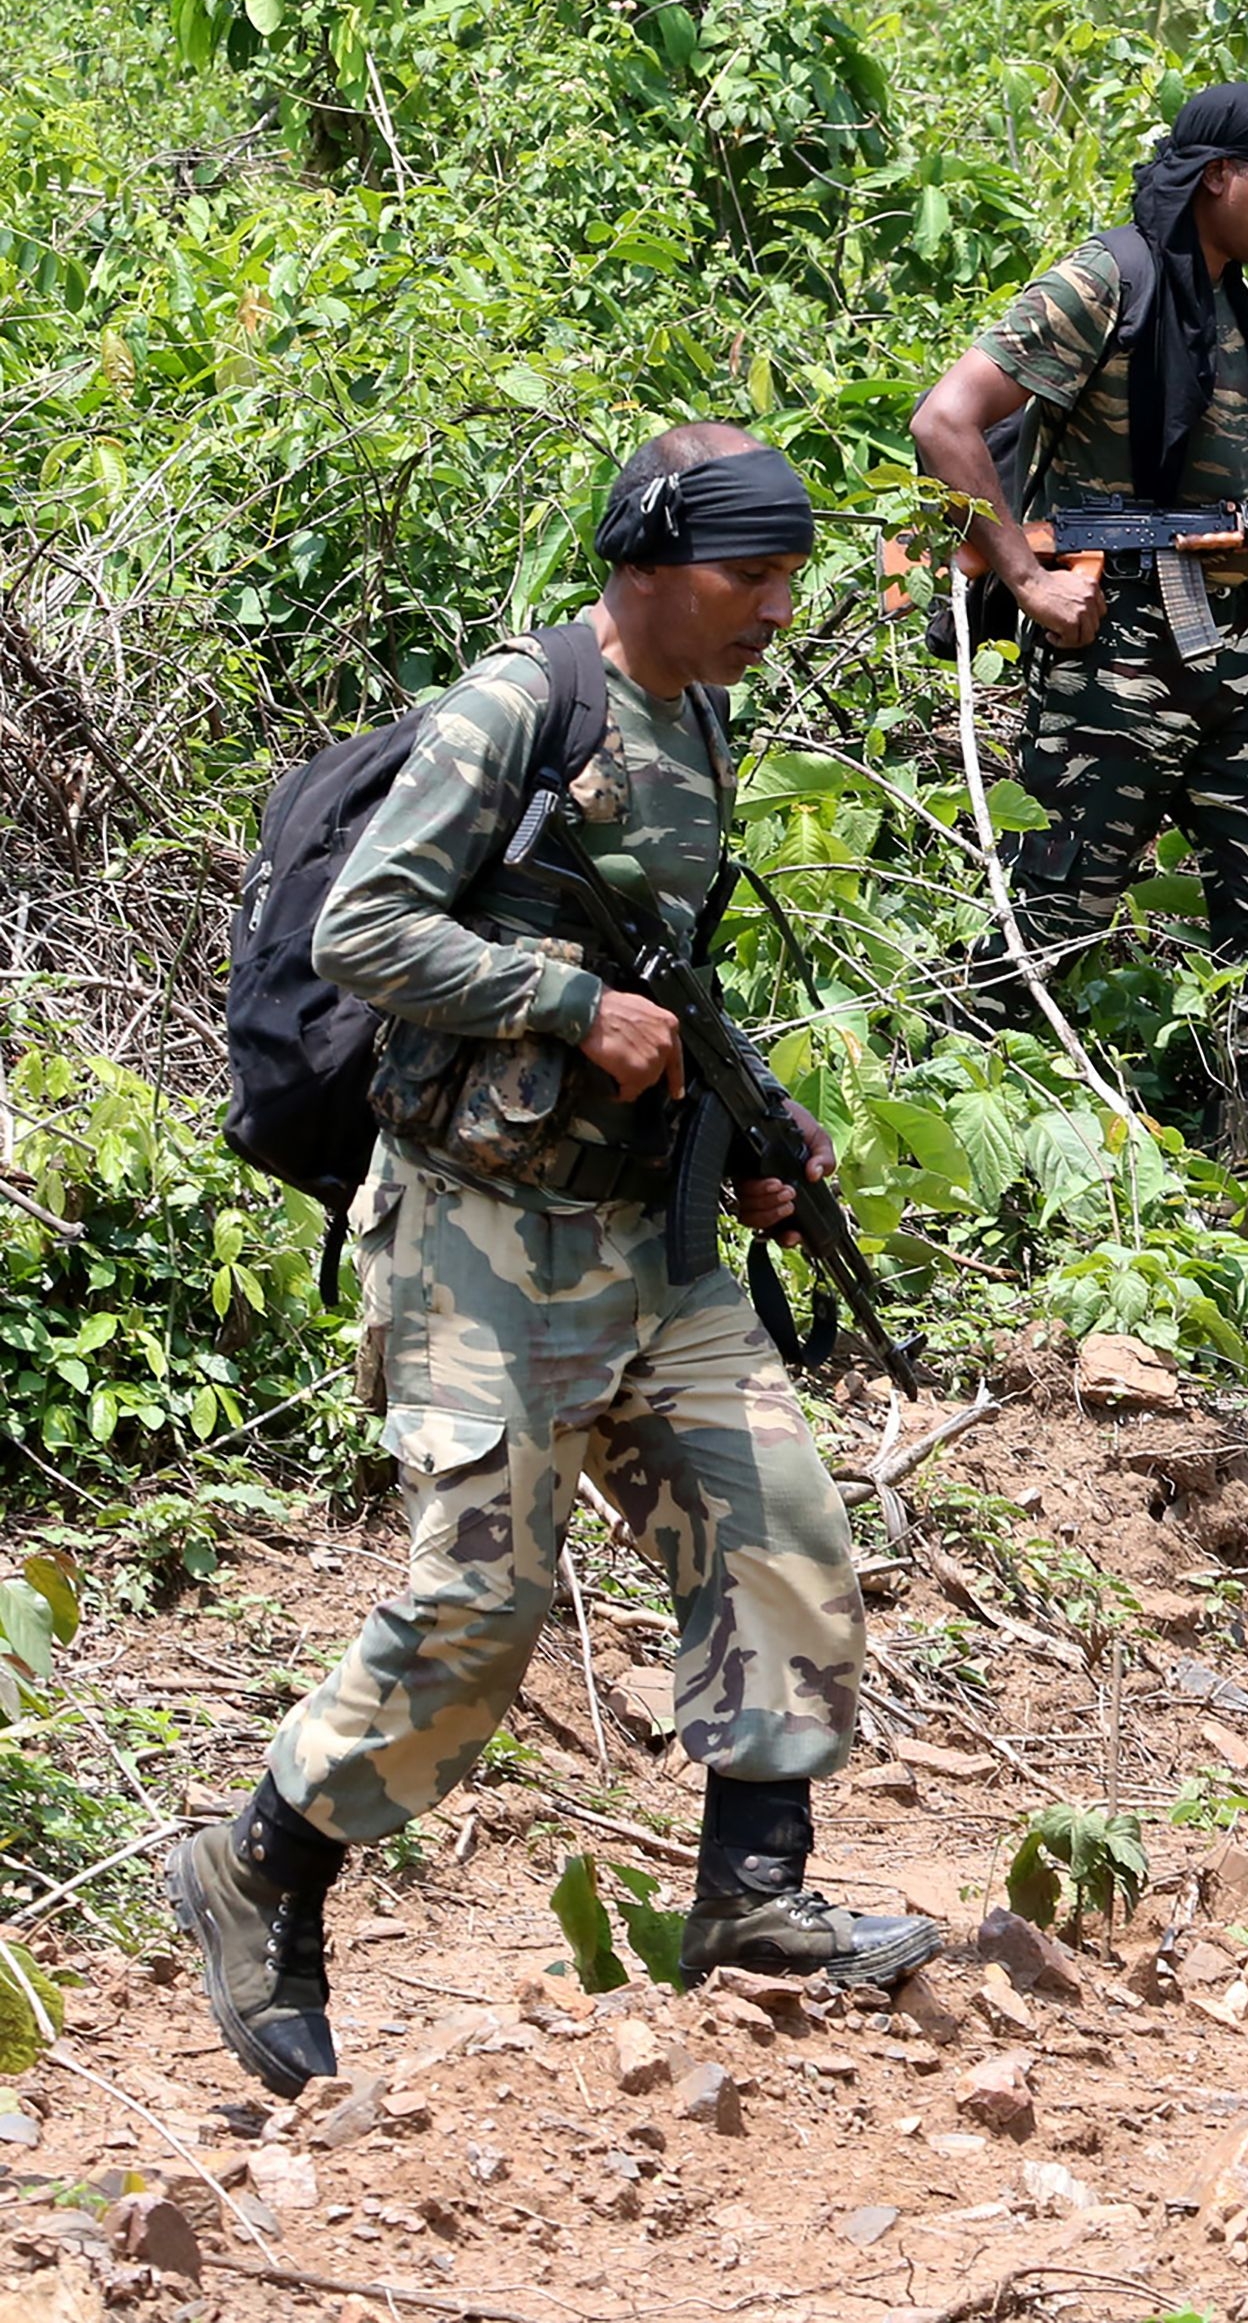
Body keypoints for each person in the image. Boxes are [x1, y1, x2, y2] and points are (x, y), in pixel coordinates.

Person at [168, 424, 940, 2099]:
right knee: (476, 1609)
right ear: (649, 565)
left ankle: (752, 1898)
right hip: (481, 1235)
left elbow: (657, 960)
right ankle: (261, 1867)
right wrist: (571, 1010)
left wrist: (762, 1127)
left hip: (643, 1231)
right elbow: (358, 928)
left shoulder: (697, 712)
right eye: (751, 576)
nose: (778, 608)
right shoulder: (519, 709)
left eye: (792, 575)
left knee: (780, 1532)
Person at [911, 80, 1248, 1158]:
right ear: (1217, 177)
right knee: (1055, 910)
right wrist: (1026, 581)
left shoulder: (1233, 304)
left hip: (1229, 640)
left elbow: (1213, 508)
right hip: (1112, 644)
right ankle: (946, 1141)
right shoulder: (1104, 279)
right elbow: (946, 420)